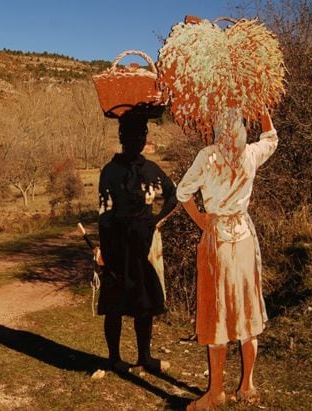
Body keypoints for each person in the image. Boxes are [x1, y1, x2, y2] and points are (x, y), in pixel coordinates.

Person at [176, 108, 277, 410]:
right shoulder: (250, 154)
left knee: (217, 312)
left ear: (219, 128)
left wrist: (202, 221)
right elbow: (271, 137)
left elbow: (183, 193)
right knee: (247, 308)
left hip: (218, 239)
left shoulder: (208, 155)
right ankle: (246, 386)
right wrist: (263, 109)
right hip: (244, 236)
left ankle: (217, 392)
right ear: (244, 128)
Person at [97, 112, 178, 373]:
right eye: (132, 135)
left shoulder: (152, 170)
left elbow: (174, 195)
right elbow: (104, 214)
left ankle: (145, 356)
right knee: (115, 304)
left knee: (144, 304)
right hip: (117, 245)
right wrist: (104, 251)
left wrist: (156, 221)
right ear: (122, 137)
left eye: (142, 134)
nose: (138, 140)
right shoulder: (110, 172)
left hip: (144, 245)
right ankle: (114, 359)